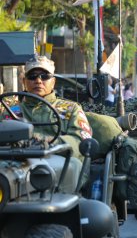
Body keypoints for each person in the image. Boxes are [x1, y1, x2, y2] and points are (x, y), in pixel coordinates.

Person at [5, 56, 92, 191]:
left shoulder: (71, 108)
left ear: (53, 82)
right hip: (14, 165)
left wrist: (48, 142)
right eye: (32, 76)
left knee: (73, 166)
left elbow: (81, 140)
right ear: (24, 81)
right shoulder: (8, 109)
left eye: (44, 76)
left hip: (58, 164)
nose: (38, 81)